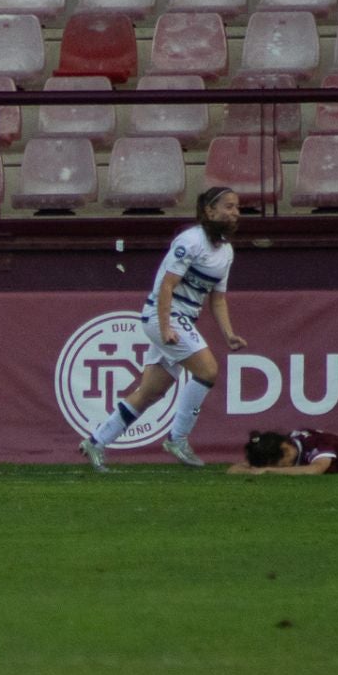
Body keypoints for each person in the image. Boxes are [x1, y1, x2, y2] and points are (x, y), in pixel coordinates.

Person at [78, 187, 246, 472]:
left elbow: (217, 298)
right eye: (229, 207)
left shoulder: (226, 252)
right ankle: (177, 438)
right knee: (207, 370)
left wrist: (228, 333)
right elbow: (167, 285)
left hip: (182, 321)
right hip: (164, 317)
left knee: (149, 392)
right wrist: (166, 327)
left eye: (237, 208)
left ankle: (96, 441)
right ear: (209, 211)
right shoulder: (190, 241)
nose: (235, 213)